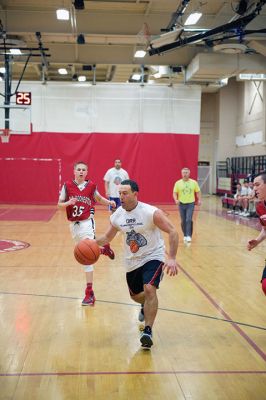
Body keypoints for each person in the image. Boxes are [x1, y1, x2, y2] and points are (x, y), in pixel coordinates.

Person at [96, 179, 180, 349]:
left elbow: (172, 231)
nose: (121, 196)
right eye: (120, 193)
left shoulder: (151, 212)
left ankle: (148, 331)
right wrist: (89, 242)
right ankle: (145, 304)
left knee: (149, 289)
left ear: (135, 194)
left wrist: (171, 257)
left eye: (125, 193)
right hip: (132, 260)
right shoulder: (118, 215)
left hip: (153, 255)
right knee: (135, 296)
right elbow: (106, 238)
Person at [58, 161, 116, 306]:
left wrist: (110, 202)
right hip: (73, 225)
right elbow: (59, 205)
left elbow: (98, 198)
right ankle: (103, 249)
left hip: (86, 222)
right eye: (79, 169)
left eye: (84, 170)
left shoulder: (91, 186)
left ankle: (89, 293)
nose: (81, 172)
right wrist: (68, 203)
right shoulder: (67, 186)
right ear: (74, 171)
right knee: (84, 251)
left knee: (87, 259)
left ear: (86, 172)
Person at [247, 170, 266, 296]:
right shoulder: (260, 206)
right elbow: (265, 229)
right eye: (253, 185)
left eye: (257, 185)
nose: (254, 189)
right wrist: (257, 241)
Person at [173, 167, 201, 243]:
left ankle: (189, 235)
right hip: (181, 204)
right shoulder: (178, 183)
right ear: (181, 174)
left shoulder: (194, 182)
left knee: (188, 219)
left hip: (191, 203)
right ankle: (185, 235)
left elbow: (198, 192)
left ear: (189, 173)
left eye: (186, 172)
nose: (185, 174)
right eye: (183, 172)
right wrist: (176, 199)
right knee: (183, 221)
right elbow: (175, 193)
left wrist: (199, 200)